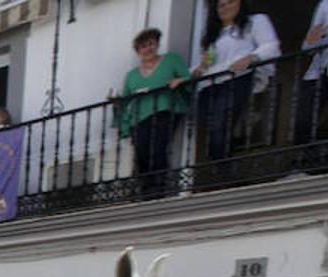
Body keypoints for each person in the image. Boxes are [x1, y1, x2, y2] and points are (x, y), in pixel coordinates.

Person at [192, 0, 279, 162]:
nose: (226, 7)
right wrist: (197, 69)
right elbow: (203, 64)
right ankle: (220, 165)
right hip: (209, 85)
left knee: (220, 124)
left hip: (236, 78)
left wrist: (252, 57)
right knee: (210, 126)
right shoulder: (213, 35)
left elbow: (271, 45)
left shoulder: (256, 21)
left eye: (230, 2)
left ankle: (221, 168)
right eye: (221, 5)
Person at [119, 28, 190, 196]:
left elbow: (189, 78)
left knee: (158, 148)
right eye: (143, 46)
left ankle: (161, 187)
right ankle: (148, 190)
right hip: (139, 117)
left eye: (151, 43)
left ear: (157, 44)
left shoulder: (171, 60)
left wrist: (180, 80)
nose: (148, 49)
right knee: (142, 152)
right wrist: (123, 123)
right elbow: (125, 100)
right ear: (138, 51)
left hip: (165, 110)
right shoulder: (131, 75)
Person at [297, 0, 328, 148]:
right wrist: (312, 41)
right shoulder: (326, 4)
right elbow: (308, 45)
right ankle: (303, 160)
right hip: (319, 69)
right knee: (303, 119)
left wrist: (326, 37)